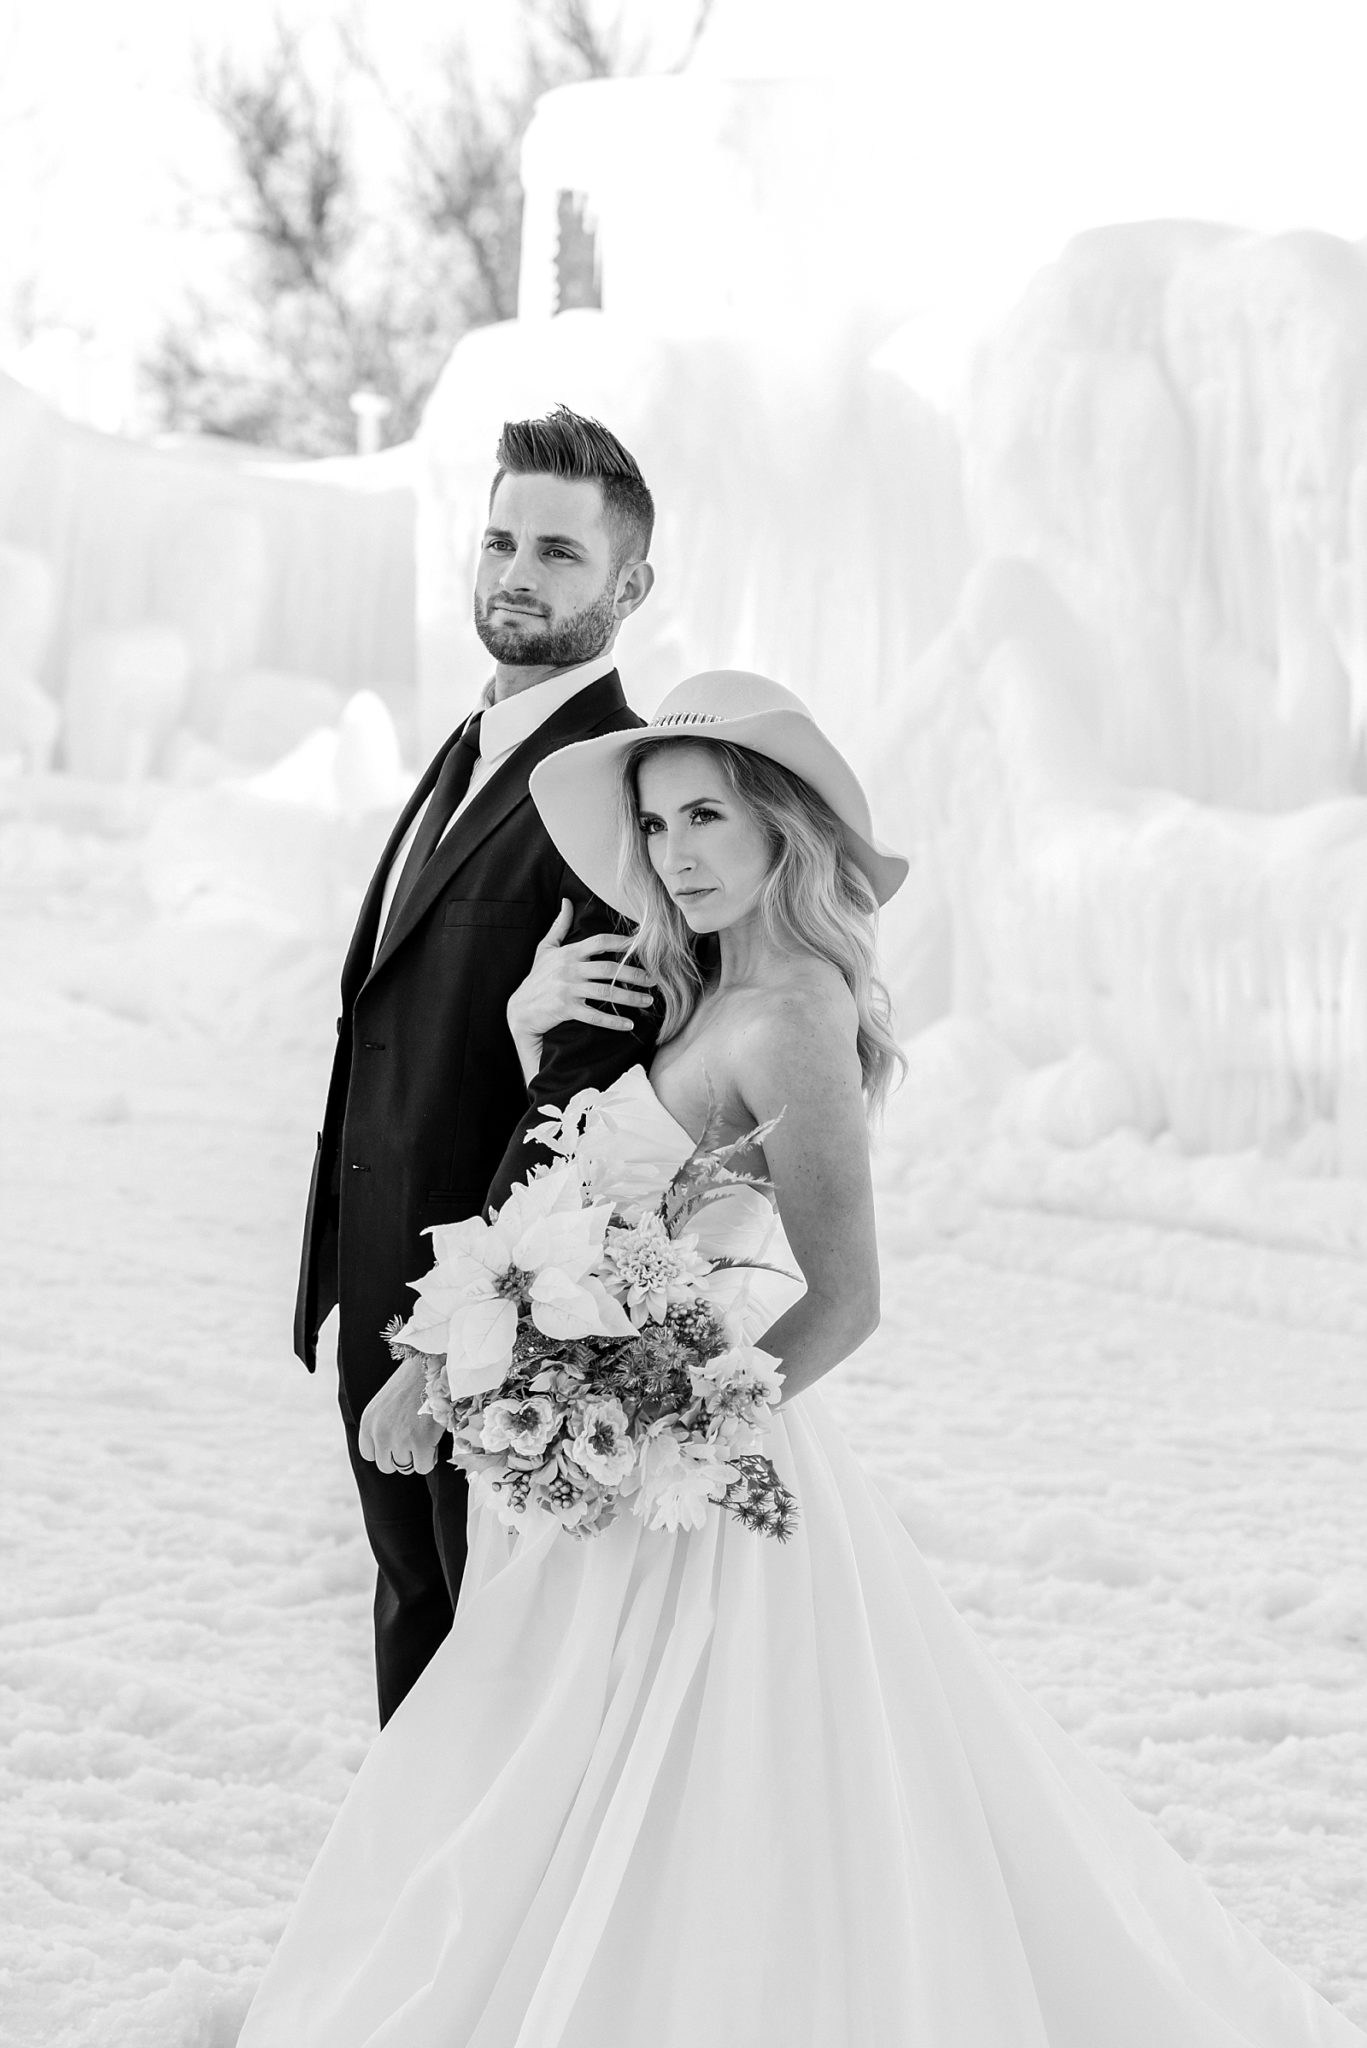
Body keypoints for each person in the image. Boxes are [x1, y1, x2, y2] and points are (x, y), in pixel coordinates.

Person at [247, 673, 1364, 2046]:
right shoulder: (707, 994)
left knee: (692, 1795)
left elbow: (844, 1298)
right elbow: (581, 1210)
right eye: (656, 827)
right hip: (616, 1469)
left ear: (784, 829)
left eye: (709, 816)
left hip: (689, 1481)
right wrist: (533, 1055)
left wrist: (661, 1425)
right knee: (542, 1763)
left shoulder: (790, 1016)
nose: (677, 855)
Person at [292, 406, 662, 1725]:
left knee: (486, 1678)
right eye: (501, 539)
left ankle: (467, 1934)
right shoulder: (473, 744)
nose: (517, 572)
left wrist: (456, 1348)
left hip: (489, 1329)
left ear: (630, 586)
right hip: (385, 1279)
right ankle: (412, 1926)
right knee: (417, 1623)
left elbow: (586, 1105)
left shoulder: (619, 789)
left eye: (560, 552)